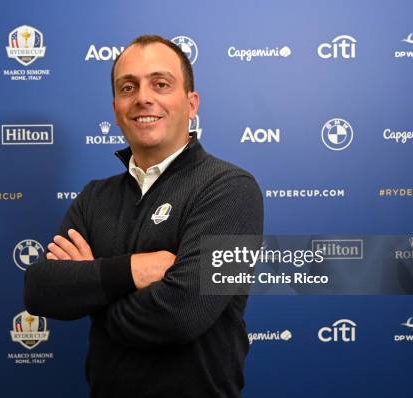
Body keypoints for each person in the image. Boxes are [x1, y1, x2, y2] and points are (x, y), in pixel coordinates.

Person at [24, 35, 263, 398]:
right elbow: (40, 290)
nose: (143, 98)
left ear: (191, 103)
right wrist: (132, 270)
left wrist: (94, 291)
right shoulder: (95, 196)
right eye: (128, 87)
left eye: (161, 84)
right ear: (117, 107)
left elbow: (183, 313)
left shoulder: (231, 190)